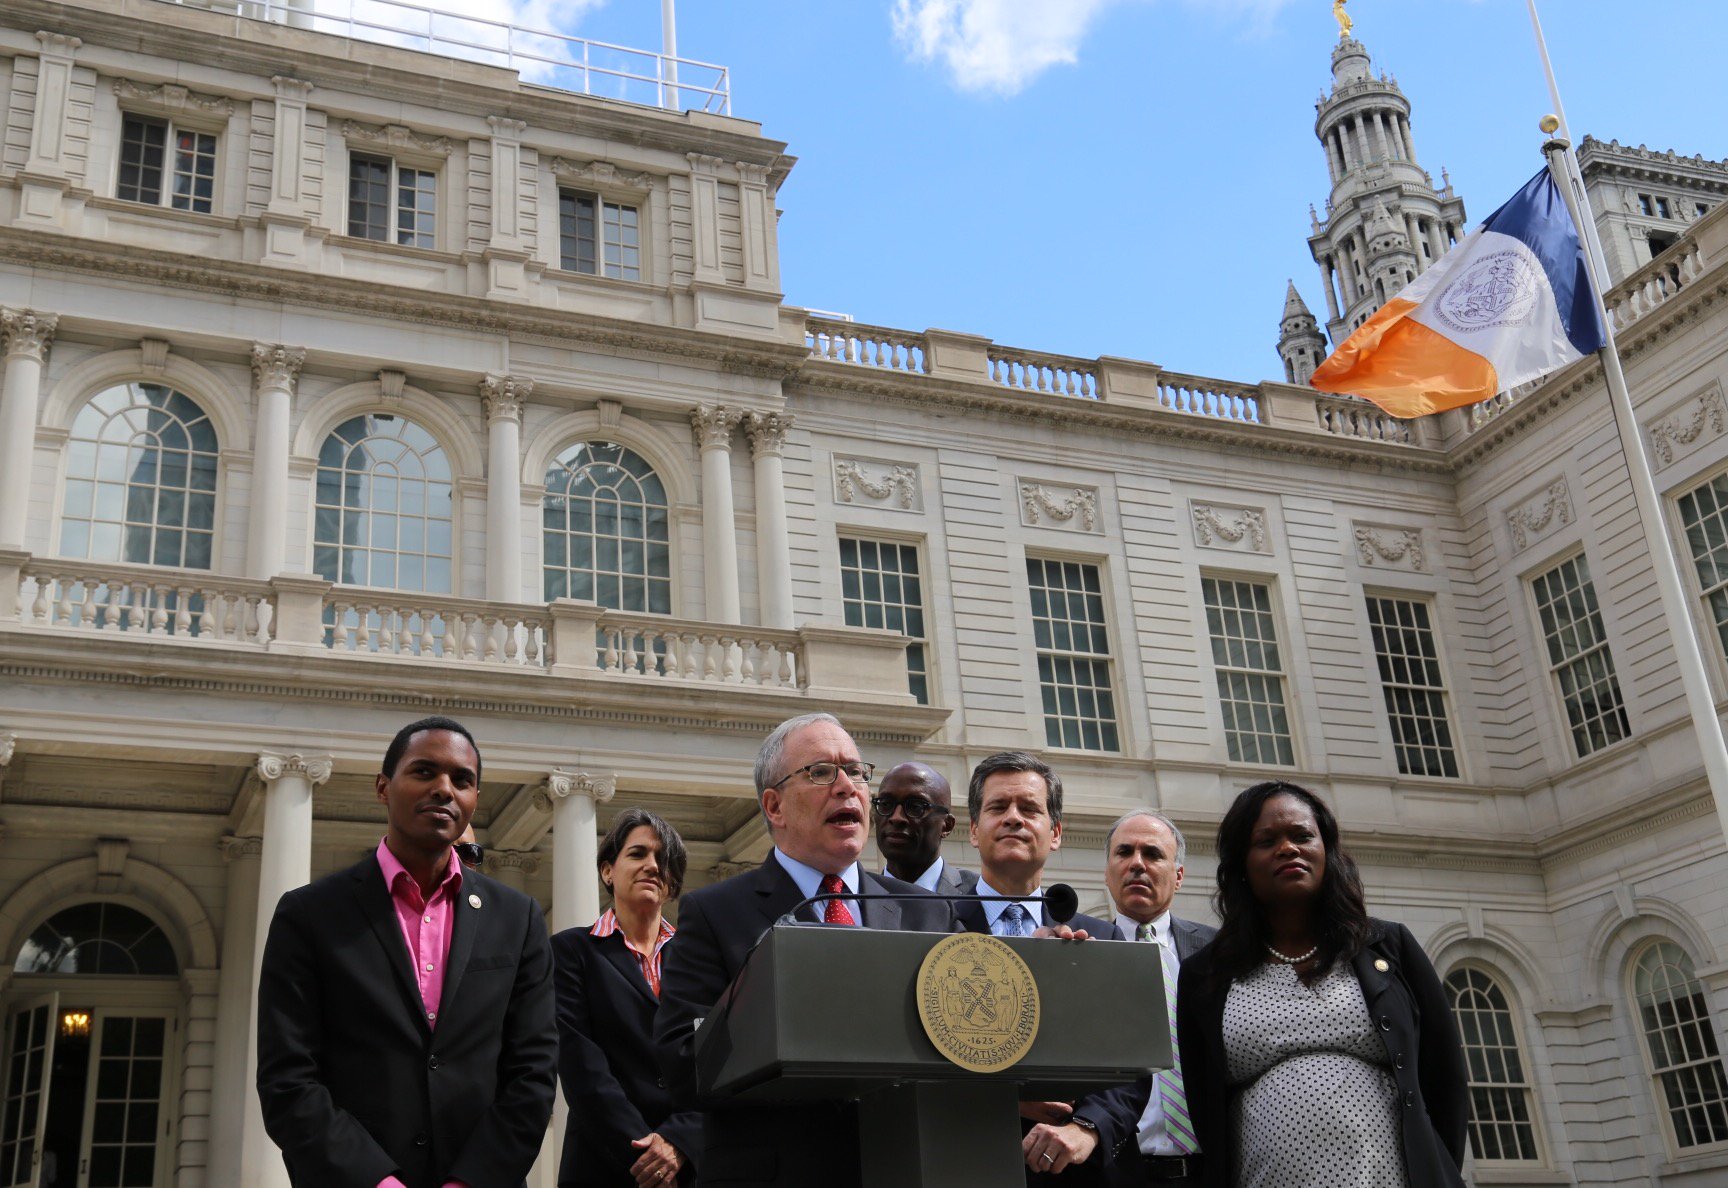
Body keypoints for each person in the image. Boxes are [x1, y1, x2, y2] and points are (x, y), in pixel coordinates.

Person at [652, 712, 953, 1188]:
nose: (847, 786)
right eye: (820, 772)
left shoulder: (927, 913)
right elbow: (682, 1062)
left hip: (906, 1167)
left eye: (856, 771)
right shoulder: (715, 912)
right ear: (774, 806)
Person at [256, 716, 557, 1188]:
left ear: (475, 800)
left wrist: (470, 1181)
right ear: (382, 787)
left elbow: (533, 1075)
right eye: (424, 772)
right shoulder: (309, 914)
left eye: (462, 780)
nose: (444, 789)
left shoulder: (517, 918)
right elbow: (289, 1079)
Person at [1176, 781, 1467, 1188]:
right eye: (1266, 840)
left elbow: (1444, 1080)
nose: (1288, 849)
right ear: (1241, 864)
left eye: (1302, 836)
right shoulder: (1205, 973)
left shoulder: (1389, 946)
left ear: (1326, 851)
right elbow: (1203, 1105)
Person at [1026, 811, 1217, 1183]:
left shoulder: (1217, 951)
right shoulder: (1071, 949)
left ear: (1178, 876)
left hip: (1211, 1168)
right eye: (1124, 852)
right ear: (1107, 871)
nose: (1137, 864)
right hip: (1110, 1169)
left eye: (1153, 854)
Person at [552, 807, 699, 1188]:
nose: (652, 865)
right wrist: (647, 1157)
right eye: (637, 854)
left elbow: (719, 1064)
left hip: (690, 1168)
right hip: (604, 1166)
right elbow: (582, 1068)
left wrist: (679, 1142)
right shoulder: (569, 952)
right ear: (607, 871)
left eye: (663, 859)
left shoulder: (699, 958)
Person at [959, 751, 1119, 941]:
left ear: (1056, 834)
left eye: (1029, 809)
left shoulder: (1104, 939)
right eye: (998, 807)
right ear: (974, 830)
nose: (1013, 818)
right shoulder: (934, 925)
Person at [872, 760, 978, 895]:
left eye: (916, 807)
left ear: (947, 825)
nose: (896, 818)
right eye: (886, 804)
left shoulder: (979, 897)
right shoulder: (854, 902)